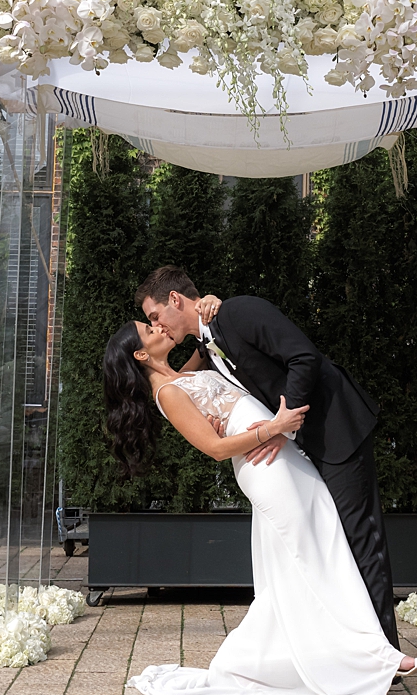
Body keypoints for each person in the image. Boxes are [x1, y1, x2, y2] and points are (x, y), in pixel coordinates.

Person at [137, 266, 400, 649]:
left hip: (335, 430)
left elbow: (304, 357)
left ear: (175, 299)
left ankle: (386, 658)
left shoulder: (239, 311)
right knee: (327, 545)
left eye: (155, 315)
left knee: (361, 541)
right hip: (296, 452)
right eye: (149, 324)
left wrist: (282, 427)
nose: (157, 325)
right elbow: (182, 384)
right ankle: (349, 650)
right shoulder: (207, 345)